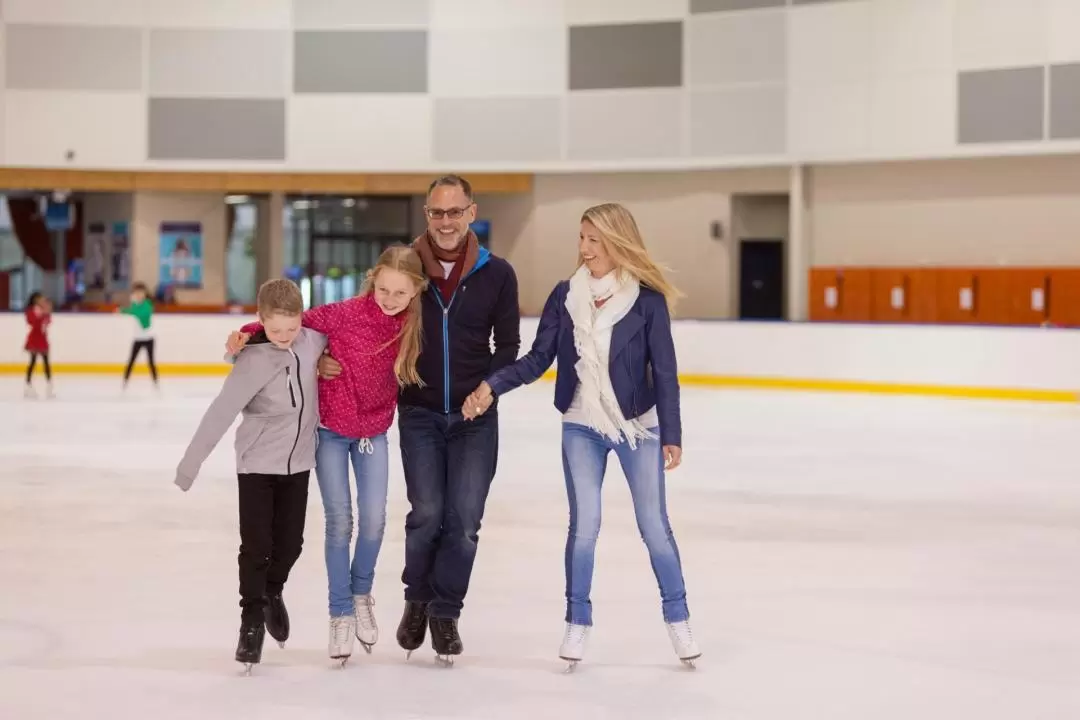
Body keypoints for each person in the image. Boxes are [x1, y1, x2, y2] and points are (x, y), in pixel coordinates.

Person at [463, 202, 700, 670]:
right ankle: (578, 620)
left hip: (639, 426)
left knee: (655, 528)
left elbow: (666, 372)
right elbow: (538, 359)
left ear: (618, 242)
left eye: (595, 239)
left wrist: (671, 432)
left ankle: (679, 618)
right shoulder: (564, 296)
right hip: (580, 423)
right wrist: (493, 385)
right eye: (582, 238)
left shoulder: (647, 300)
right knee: (584, 527)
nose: (585, 248)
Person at [319, 175, 520, 664]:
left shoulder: (498, 274)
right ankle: (417, 601)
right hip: (419, 412)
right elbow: (359, 319)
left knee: (465, 521)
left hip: (476, 416)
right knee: (427, 514)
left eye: (455, 212)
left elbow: (509, 347)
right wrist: (320, 356)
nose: (445, 222)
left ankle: (445, 613)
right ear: (427, 215)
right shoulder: (407, 270)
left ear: (471, 212)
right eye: (436, 213)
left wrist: (489, 387)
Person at [226, 246, 427, 665]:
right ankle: (339, 613)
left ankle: (360, 595)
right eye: (383, 289)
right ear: (372, 281)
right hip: (332, 432)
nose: (389, 299)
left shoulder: (413, 326)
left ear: (415, 293)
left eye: (399, 293)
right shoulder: (342, 313)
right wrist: (248, 332)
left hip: (374, 432)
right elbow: (288, 326)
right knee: (340, 522)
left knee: (374, 521)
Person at [174, 278, 326, 674]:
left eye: (291, 329)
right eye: (274, 330)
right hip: (257, 465)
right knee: (256, 546)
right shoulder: (253, 358)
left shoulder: (313, 342)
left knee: (291, 545)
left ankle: (273, 592)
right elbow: (221, 412)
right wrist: (190, 465)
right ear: (260, 321)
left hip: (299, 464)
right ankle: (251, 623)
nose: (284, 337)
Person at [119, 282, 158, 388]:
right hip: (138, 338)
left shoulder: (148, 305)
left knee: (151, 362)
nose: (139, 295)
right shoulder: (135, 305)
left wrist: (127, 310)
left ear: (145, 293)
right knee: (131, 360)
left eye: (141, 293)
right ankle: (125, 382)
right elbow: (131, 311)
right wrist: (123, 310)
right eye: (137, 293)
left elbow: (142, 315)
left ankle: (156, 382)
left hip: (149, 338)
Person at [23, 292, 53, 399]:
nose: (42, 300)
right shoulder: (31, 311)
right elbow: (32, 323)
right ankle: (28, 385)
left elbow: (48, 321)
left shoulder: (44, 311)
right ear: (35, 300)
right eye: (40, 298)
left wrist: (46, 313)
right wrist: (42, 315)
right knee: (33, 361)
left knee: (46, 362)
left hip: (42, 339)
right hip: (34, 339)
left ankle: (49, 386)